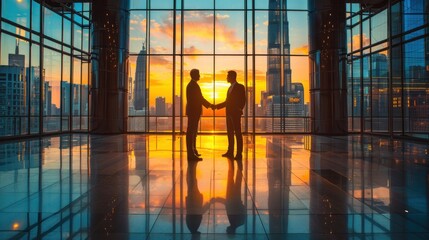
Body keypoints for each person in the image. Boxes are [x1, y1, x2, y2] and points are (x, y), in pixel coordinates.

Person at [213, 70, 246, 160]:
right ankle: (230, 152)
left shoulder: (240, 87)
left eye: (228, 76)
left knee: (238, 133)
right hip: (229, 114)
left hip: (235, 114)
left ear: (232, 77)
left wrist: (239, 109)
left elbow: (243, 100)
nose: (226, 78)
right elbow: (227, 102)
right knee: (230, 133)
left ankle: (239, 154)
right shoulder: (229, 88)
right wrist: (216, 106)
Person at [186, 69, 213, 161]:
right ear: (194, 75)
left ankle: (193, 151)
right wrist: (210, 105)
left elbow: (199, 98)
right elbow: (200, 98)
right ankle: (191, 153)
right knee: (191, 132)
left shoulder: (192, 85)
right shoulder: (193, 86)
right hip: (193, 112)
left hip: (193, 111)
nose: (199, 76)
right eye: (198, 74)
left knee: (193, 132)